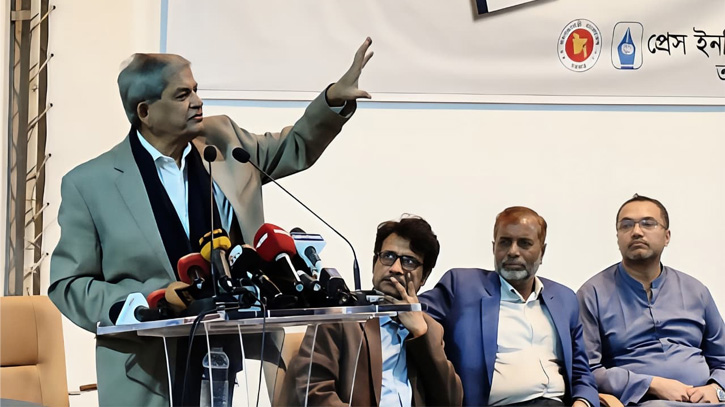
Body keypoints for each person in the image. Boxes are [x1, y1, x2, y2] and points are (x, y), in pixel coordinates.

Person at [48, 38, 374, 406]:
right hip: (146, 373)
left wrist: (332, 101)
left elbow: (293, 147)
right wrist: (147, 300)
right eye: (182, 95)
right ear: (145, 111)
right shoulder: (90, 184)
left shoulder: (224, 142)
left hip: (234, 363)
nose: (198, 101)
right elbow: (68, 284)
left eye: (196, 90)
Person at [420, 206, 599, 407]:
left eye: (524, 243)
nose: (513, 252)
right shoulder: (462, 286)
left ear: (542, 252)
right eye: (505, 242)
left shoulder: (564, 299)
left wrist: (583, 402)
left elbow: (581, 372)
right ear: (494, 247)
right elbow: (413, 312)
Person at [277, 216, 463, 406]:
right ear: (375, 263)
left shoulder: (430, 329)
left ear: (424, 276)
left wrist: (421, 336)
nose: (395, 268)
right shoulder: (339, 318)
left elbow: (451, 401)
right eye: (388, 256)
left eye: (409, 261)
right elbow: (314, 392)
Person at [577, 195, 725, 406]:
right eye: (626, 225)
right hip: (643, 402)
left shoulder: (696, 290)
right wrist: (651, 384)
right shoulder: (592, 294)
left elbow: (722, 359)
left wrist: (717, 389)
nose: (636, 231)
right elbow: (587, 370)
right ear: (618, 237)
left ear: (667, 236)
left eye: (648, 223)